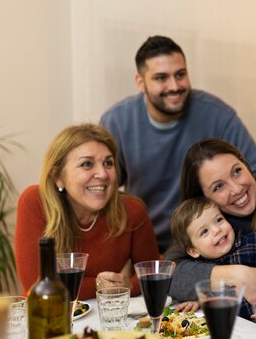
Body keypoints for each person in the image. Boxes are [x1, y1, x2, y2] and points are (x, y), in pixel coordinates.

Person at [100, 35, 256, 253]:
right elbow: (103, 190)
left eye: (180, 75)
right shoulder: (116, 121)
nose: (174, 86)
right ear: (140, 82)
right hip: (145, 245)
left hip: (208, 242)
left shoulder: (218, 115)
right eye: (161, 78)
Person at [15, 124, 160, 300]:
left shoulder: (132, 211)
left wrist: (129, 284)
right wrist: (101, 285)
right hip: (49, 319)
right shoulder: (34, 202)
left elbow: (154, 274)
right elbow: (38, 285)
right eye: (87, 164)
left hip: (110, 319)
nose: (103, 174)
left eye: (108, 163)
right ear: (57, 177)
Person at [166, 138, 256, 306]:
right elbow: (167, 274)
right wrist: (234, 275)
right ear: (202, 198)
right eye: (218, 187)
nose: (236, 189)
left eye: (237, 171)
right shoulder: (208, 222)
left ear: (245, 164)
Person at [168, 196, 256, 319]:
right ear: (194, 251)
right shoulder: (202, 267)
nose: (216, 230)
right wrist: (198, 300)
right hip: (234, 329)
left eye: (219, 220)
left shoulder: (255, 245)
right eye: (204, 231)